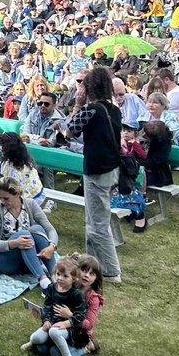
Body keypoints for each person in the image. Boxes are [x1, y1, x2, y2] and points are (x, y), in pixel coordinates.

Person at [59, 66, 124, 283]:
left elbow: (69, 132)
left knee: (97, 224)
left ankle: (112, 271)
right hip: (112, 168)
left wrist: (77, 105)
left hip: (97, 170)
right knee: (94, 220)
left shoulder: (91, 109)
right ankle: (90, 266)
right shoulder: (114, 109)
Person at [0, 176, 59, 288]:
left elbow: (50, 229)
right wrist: (14, 243)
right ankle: (44, 282)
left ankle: (55, 276)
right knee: (25, 234)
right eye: (0, 198)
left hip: (28, 258)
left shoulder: (31, 204)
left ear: (17, 194)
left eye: (6, 198)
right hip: (4, 259)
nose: (3, 202)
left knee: (36, 229)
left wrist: (52, 247)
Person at [21, 257, 86, 356]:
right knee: (36, 338)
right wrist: (46, 320)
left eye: (65, 276)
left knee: (54, 332)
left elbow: (81, 315)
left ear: (74, 279)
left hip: (69, 328)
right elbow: (47, 306)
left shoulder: (76, 294)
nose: (60, 278)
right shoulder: (52, 288)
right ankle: (33, 343)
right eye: (58, 274)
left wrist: (67, 323)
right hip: (51, 322)